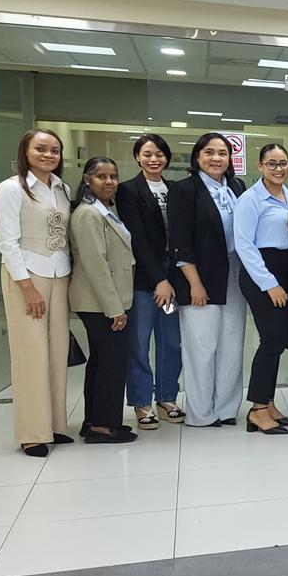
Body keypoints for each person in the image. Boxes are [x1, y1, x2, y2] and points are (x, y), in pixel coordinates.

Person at [0, 129, 73, 457]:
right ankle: (31, 432)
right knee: (31, 355)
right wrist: (26, 287)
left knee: (57, 351)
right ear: (25, 151)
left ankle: (54, 425)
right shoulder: (10, 189)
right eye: (41, 148)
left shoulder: (62, 188)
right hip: (27, 277)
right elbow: (7, 243)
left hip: (59, 274)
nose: (48, 155)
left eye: (54, 150)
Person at [169, 132, 247, 428]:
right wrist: (195, 284)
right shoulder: (184, 189)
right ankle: (201, 413)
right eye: (209, 152)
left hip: (234, 272)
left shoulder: (237, 187)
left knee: (232, 345)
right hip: (199, 276)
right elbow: (180, 241)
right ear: (197, 157)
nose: (216, 158)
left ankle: (226, 409)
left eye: (223, 153)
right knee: (201, 347)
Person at [116, 134, 185, 429]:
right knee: (139, 342)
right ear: (137, 157)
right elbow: (138, 238)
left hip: (173, 277)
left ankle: (166, 398)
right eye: (147, 154)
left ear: (166, 158)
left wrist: (170, 278)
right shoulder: (128, 190)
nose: (153, 159)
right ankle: (142, 402)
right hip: (145, 280)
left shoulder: (175, 189)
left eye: (159, 154)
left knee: (171, 341)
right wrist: (159, 279)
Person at [68, 157, 137, 444]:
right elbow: (95, 265)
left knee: (101, 361)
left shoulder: (104, 209)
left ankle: (94, 421)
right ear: (87, 180)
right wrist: (115, 309)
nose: (109, 182)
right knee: (112, 363)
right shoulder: (88, 214)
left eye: (113, 176)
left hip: (103, 302)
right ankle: (103, 427)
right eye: (101, 177)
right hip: (100, 304)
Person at [234, 144, 288, 435]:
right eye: (271, 164)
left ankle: (268, 403)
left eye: (283, 163)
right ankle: (258, 409)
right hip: (262, 273)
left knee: (279, 340)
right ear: (260, 166)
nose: (278, 169)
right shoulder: (250, 199)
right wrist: (270, 284)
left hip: (286, 271)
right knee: (271, 340)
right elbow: (244, 246)